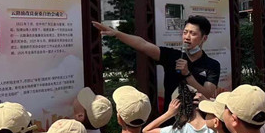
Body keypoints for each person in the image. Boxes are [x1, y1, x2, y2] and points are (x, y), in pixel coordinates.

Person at [92, 15, 220, 104]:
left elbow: (208, 94)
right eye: (185, 32)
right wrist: (117, 34)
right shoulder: (172, 55)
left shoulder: (212, 65)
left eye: (193, 34)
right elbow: (143, 45)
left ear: (204, 38)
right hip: (170, 122)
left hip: (197, 123)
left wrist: (187, 75)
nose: (187, 37)